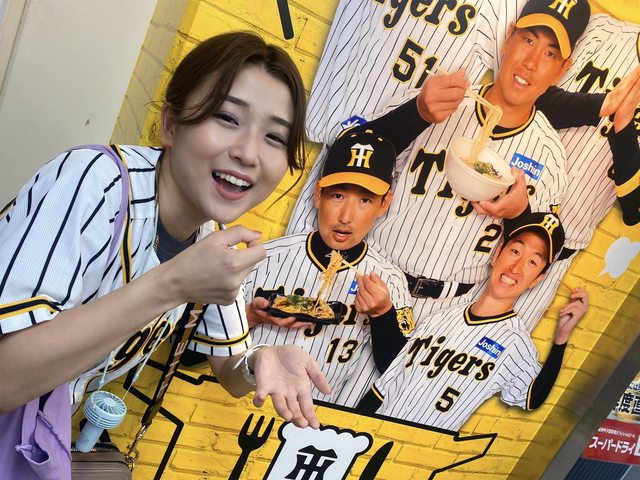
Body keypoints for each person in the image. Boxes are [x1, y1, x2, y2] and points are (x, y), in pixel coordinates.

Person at [0, 31, 331, 471]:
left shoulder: (211, 236)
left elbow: (230, 370)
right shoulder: (96, 180)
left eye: (274, 137)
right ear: (171, 124)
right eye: (227, 117)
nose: (249, 153)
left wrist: (260, 360)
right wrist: (173, 284)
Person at [469, 9, 640, 331]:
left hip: (550, 257)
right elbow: (523, 92)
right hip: (485, 220)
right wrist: (602, 105)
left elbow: (635, 207)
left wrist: (624, 125)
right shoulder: (601, 31)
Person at [356, 212, 589, 431]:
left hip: (414, 447)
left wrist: (560, 340)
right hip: (370, 430)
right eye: (515, 251)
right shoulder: (441, 318)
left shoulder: (514, 343)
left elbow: (532, 397)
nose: (516, 267)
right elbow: (388, 379)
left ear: (537, 279)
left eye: (532, 262)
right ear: (498, 253)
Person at [244, 130, 415, 407]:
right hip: (243, 402)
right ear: (318, 194)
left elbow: (400, 374)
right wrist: (250, 316)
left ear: (385, 203)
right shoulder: (264, 257)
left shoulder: (389, 281)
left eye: (365, 200)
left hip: (316, 416)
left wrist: (382, 315)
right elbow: (195, 350)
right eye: (337, 195)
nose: (345, 217)